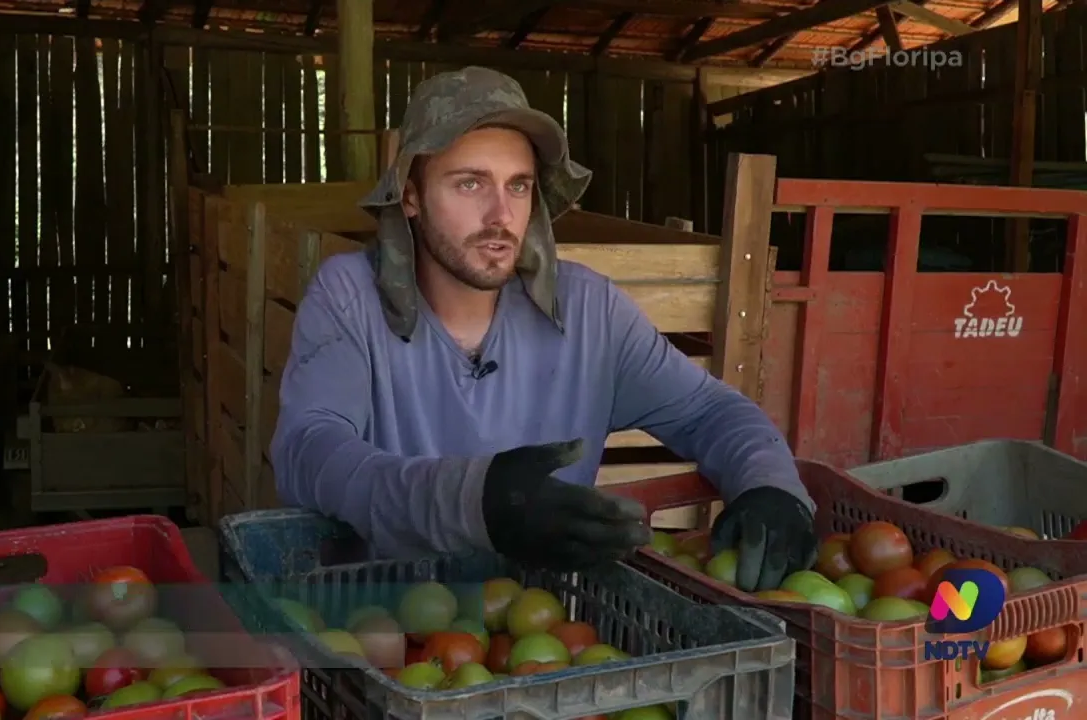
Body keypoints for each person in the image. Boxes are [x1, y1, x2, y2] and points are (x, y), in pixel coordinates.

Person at [269, 66, 817, 590]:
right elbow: (310, 450)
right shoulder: (349, 298)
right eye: (469, 184)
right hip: (388, 622)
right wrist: (472, 502)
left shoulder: (590, 311)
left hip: (550, 626)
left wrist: (770, 485)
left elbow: (710, 411)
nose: (500, 215)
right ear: (410, 196)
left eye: (518, 186)